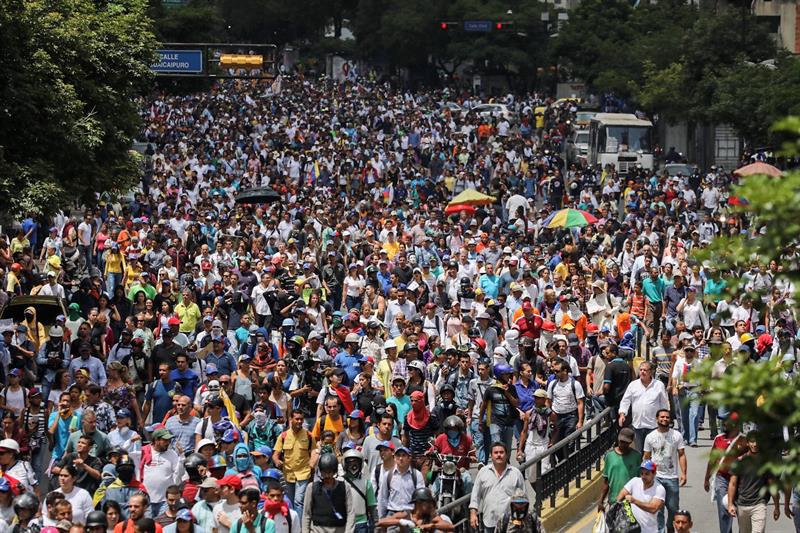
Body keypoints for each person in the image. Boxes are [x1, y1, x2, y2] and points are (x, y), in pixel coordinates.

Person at [726, 431, 781, 533]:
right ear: (747, 443)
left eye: (757, 441)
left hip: (759, 505)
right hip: (742, 505)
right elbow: (732, 484)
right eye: (752, 441)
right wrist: (730, 504)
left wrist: (777, 507)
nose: (755, 444)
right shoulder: (739, 462)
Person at [643, 409, 687, 533]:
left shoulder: (677, 435)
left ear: (670, 420)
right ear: (657, 419)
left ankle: (670, 527)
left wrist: (684, 473)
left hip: (672, 477)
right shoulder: (650, 437)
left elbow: (682, 454)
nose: (664, 419)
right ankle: (660, 530)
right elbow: (646, 457)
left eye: (667, 417)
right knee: (658, 509)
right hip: (656, 478)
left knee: (673, 508)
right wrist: (645, 476)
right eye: (662, 417)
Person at [469, 442, 527, 532]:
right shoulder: (483, 472)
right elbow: (475, 495)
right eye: (496, 453)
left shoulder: (515, 473)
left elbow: (523, 498)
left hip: (511, 524)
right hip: (489, 521)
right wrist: (473, 514)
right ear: (491, 456)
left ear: (506, 455)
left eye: (501, 452)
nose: (499, 455)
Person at [272, 410, 314, 520]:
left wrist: (312, 465)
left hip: (303, 473)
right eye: (297, 419)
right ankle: (291, 524)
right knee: (289, 501)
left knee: (298, 501)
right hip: (288, 474)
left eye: (301, 419)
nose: (299, 421)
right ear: (291, 420)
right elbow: (275, 455)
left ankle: (299, 529)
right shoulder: (283, 436)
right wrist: (277, 461)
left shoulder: (309, 436)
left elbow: (314, 452)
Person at [618, 361, 668, 452]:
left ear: (651, 372)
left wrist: (664, 420)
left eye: (645, 370)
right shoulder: (633, 385)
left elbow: (664, 404)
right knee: (638, 452)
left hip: (653, 426)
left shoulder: (659, 385)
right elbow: (625, 401)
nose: (642, 372)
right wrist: (622, 414)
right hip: (638, 425)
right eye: (640, 370)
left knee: (653, 452)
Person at [302, 453, 355, 532]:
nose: (327, 475)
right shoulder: (312, 488)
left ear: (334, 471)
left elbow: (351, 512)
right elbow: (306, 514)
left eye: (329, 472)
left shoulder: (345, 487)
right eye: (324, 472)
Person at [598, 428, 642, 512]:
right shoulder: (609, 456)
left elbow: (640, 480)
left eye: (626, 442)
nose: (623, 444)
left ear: (631, 442)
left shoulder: (636, 457)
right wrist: (601, 501)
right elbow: (606, 481)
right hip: (614, 502)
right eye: (621, 441)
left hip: (631, 502)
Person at [376, 445, 425, 518]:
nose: (401, 458)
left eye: (404, 455)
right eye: (398, 456)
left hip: (411, 514)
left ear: (409, 458)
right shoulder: (388, 475)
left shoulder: (417, 475)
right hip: (392, 514)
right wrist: (382, 518)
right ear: (394, 458)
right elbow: (383, 498)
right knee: (391, 530)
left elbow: (421, 498)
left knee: (415, 530)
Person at [617, 460, 666, 533]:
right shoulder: (634, 481)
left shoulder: (659, 489)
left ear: (654, 474)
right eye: (642, 473)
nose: (643, 476)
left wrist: (634, 501)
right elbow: (621, 495)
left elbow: (653, 509)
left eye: (647, 474)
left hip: (649, 530)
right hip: (631, 529)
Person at [377, 487, 455, 532]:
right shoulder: (406, 515)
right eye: (427, 502)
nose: (430, 505)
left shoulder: (431, 516)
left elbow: (450, 527)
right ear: (418, 502)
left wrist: (432, 525)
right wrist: (402, 522)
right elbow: (380, 522)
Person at [341, 448, 377, 532]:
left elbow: (372, 505)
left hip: (361, 523)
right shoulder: (340, 482)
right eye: (350, 462)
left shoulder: (366, 482)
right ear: (344, 464)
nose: (353, 465)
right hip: (344, 523)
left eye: (355, 462)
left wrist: (376, 523)